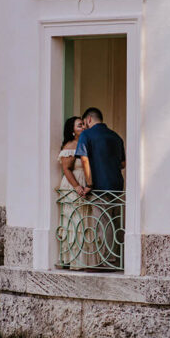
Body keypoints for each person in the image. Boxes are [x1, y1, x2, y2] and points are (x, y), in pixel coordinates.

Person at [75, 107, 126, 267]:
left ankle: (107, 261)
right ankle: (117, 258)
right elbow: (123, 163)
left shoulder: (86, 135)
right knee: (115, 222)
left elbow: (84, 159)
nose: (84, 126)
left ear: (89, 119)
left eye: (84, 123)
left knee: (102, 223)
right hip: (117, 185)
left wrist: (89, 183)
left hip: (99, 186)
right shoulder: (116, 137)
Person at [58, 115, 99, 269]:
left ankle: (86, 259)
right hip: (73, 184)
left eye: (83, 124)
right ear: (72, 130)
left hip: (85, 183)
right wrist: (76, 186)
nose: (83, 127)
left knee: (86, 221)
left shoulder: (85, 142)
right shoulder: (70, 146)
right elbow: (66, 169)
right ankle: (74, 259)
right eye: (79, 125)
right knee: (75, 220)